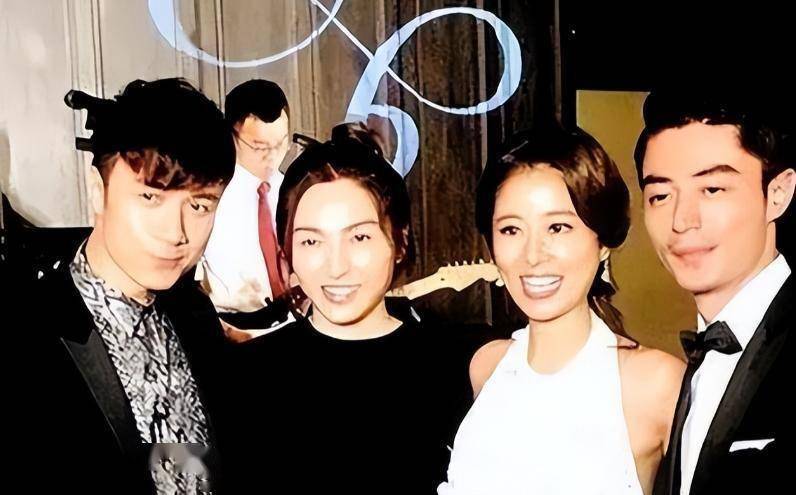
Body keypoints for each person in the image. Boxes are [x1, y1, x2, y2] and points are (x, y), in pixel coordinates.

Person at [9, 78, 236, 493]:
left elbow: (190, 470)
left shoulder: (195, 316)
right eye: (150, 198)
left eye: (200, 205)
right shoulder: (30, 330)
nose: (176, 232)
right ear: (99, 191)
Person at [225, 123, 476, 494]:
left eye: (359, 237)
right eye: (311, 241)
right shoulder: (241, 377)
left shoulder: (457, 366)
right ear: (287, 250)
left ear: (400, 241)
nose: (336, 266)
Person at [439, 126, 685, 494]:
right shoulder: (487, 366)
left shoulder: (655, 383)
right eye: (511, 230)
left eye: (558, 227)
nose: (533, 255)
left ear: (603, 241)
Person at [635, 84, 796, 495]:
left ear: (777, 194)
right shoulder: (687, 369)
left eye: (712, 189)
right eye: (660, 195)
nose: (681, 220)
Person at [199, 79, 295, 339]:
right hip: (231, 329)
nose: (272, 156)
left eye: (281, 143)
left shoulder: (291, 189)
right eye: (259, 147)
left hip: (290, 322)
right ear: (232, 136)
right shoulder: (210, 197)